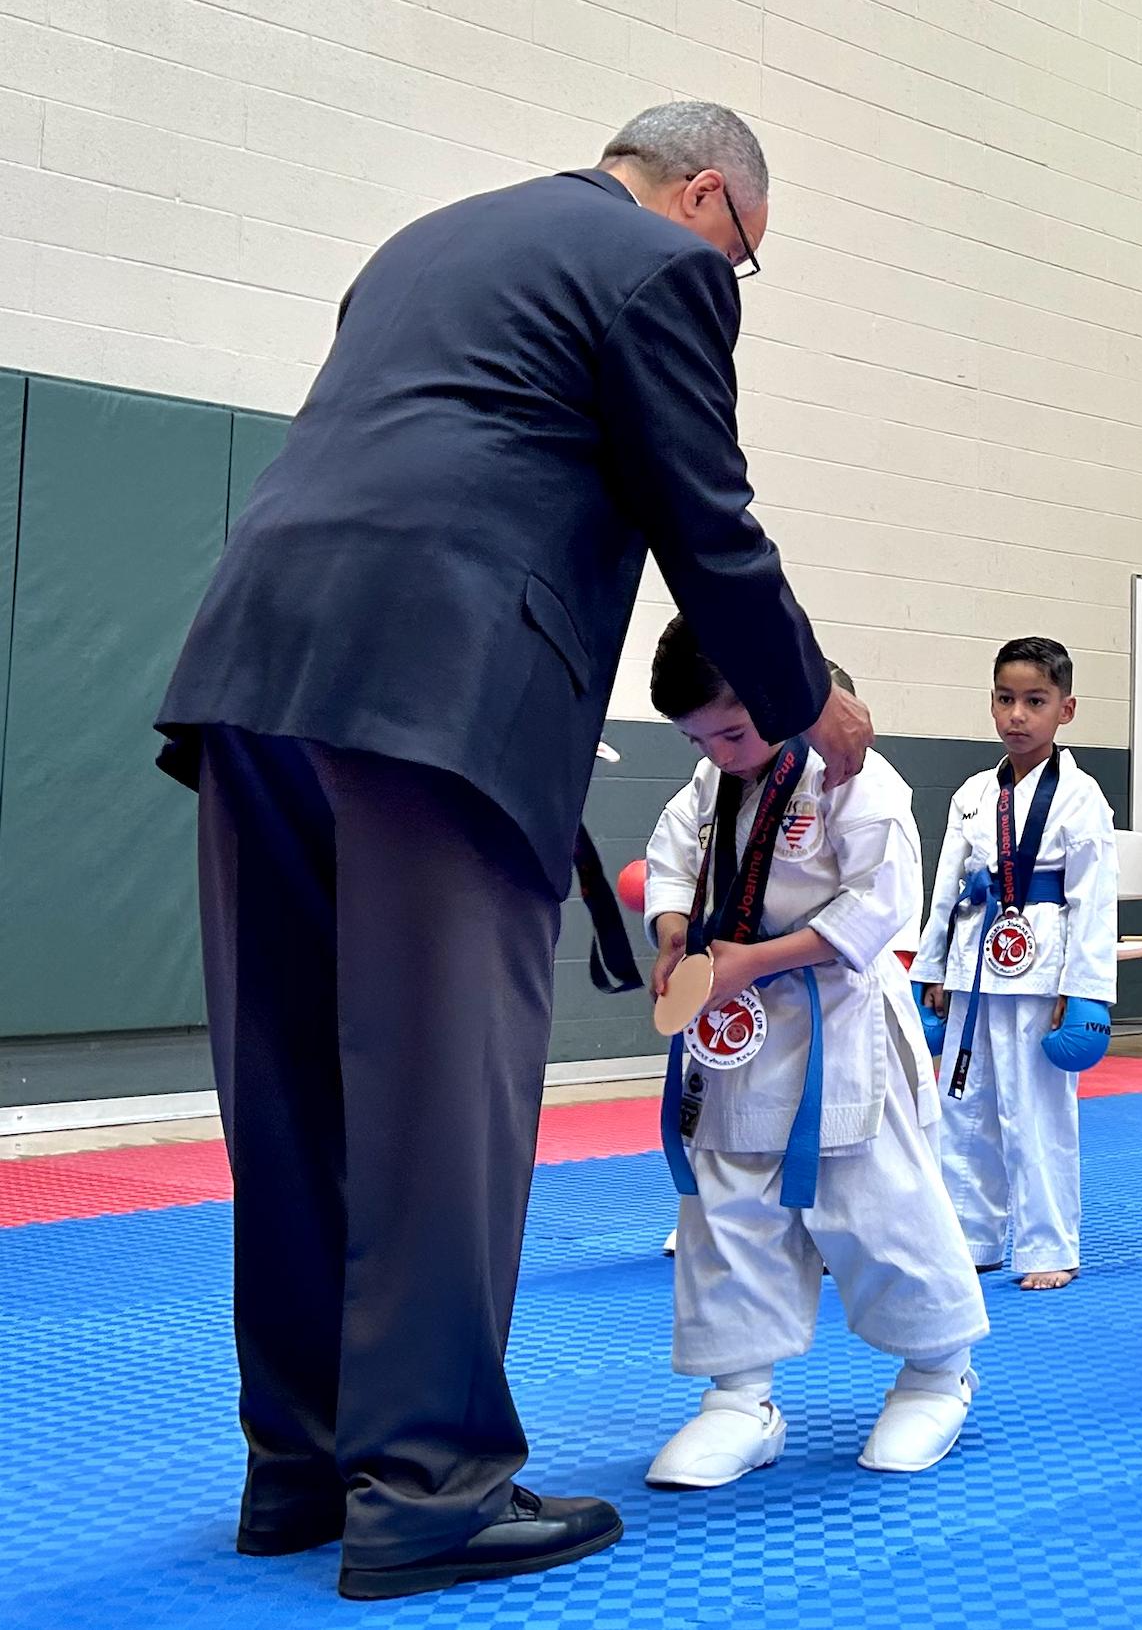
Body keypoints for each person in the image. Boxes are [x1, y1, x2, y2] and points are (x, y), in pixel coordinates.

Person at [151, 103, 877, 1598]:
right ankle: (426, 1483)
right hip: (438, 687)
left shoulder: (423, 242)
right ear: (704, 195)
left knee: (287, 1090)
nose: (731, 279)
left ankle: (298, 1463)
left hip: (253, 672)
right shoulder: (655, 268)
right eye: (745, 254)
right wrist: (813, 705)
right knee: (436, 1100)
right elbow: (710, 527)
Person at [639, 618, 987, 1489]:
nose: (718, 752)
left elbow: (881, 904)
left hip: (841, 1030)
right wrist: (675, 931)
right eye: (697, 738)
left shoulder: (855, 781)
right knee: (724, 1209)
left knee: (881, 1209)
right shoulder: (715, 775)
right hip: (737, 1033)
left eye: (730, 731)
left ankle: (937, 1373)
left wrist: (756, 959)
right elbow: (674, 853)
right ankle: (739, 1397)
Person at [912, 639, 1119, 1292]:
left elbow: (1093, 898)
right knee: (963, 1110)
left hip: (1042, 967)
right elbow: (947, 886)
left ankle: (1049, 1245)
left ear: (1067, 710)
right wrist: (930, 971)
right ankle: (969, 1238)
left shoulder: (1082, 797)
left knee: (1036, 1114)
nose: (1018, 715)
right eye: (1006, 699)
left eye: (1035, 701)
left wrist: (1084, 991)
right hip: (974, 963)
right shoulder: (974, 794)